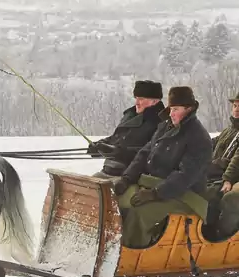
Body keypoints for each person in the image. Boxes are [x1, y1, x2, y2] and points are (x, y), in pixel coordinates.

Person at [113, 86, 212, 248]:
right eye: (171, 108)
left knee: (139, 213)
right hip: (154, 185)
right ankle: (113, 246)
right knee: (119, 200)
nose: (171, 113)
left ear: (189, 109)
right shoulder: (165, 127)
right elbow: (144, 154)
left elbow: (185, 176)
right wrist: (126, 179)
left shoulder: (199, 138)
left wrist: (155, 194)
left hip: (187, 196)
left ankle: (133, 256)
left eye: (176, 109)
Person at [87, 80, 165, 179]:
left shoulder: (160, 122)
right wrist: (99, 146)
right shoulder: (130, 115)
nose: (137, 102)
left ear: (154, 101)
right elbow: (117, 138)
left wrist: (118, 152)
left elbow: (152, 153)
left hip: (131, 176)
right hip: (109, 170)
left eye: (141, 99)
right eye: (136, 98)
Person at [204, 92, 239, 240]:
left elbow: (237, 159)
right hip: (214, 173)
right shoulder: (228, 130)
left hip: (228, 176)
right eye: (235, 106)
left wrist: (227, 179)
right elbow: (209, 145)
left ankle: (214, 237)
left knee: (211, 196)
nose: (236, 109)